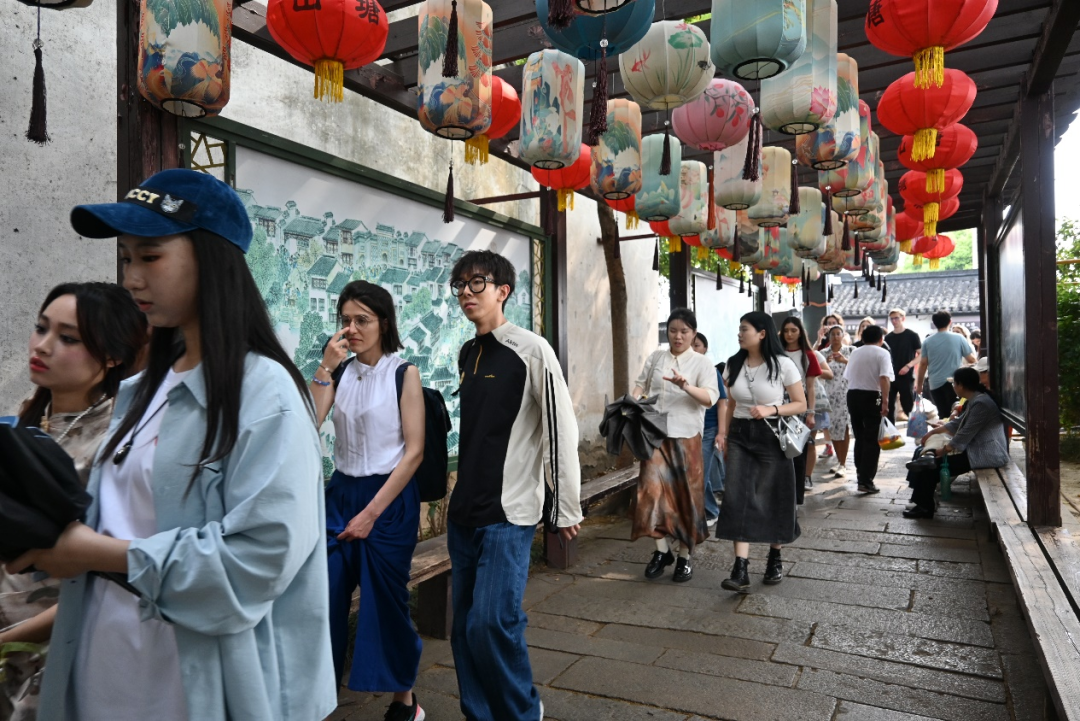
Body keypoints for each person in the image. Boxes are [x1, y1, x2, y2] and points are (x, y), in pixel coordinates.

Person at [14, 169, 338, 721]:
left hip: (192, 683)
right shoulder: (142, 390)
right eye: (125, 258)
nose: (132, 278)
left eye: (151, 256)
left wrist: (94, 553)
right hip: (102, 665)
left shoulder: (266, 394)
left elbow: (258, 560)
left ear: (211, 259)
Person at [0, 282, 146, 721]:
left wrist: (8, 640)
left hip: (55, 661)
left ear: (112, 356)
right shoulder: (28, 422)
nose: (42, 346)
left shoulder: (119, 444)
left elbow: (103, 580)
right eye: (41, 328)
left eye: (68, 338)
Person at [448, 250, 582, 721]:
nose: (466, 293)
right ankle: (479, 714)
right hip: (464, 511)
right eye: (460, 285)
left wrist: (565, 507)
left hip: (510, 511)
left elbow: (560, 430)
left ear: (503, 291)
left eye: (477, 283)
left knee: (492, 622)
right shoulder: (468, 352)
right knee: (464, 628)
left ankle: (523, 711)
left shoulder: (531, 350)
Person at [309, 280, 425, 720]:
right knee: (324, 595)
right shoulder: (338, 372)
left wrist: (371, 513)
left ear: (384, 323)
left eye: (363, 320)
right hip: (341, 494)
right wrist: (325, 366)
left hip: (388, 500)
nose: (352, 329)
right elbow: (309, 423)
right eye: (346, 321)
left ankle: (404, 700)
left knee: (385, 602)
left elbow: (414, 452)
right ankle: (318, 696)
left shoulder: (403, 373)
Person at [715, 312, 806, 593]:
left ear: (762, 333)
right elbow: (730, 404)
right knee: (737, 496)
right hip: (740, 434)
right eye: (739, 329)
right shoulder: (734, 364)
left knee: (775, 495)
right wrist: (724, 435)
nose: (739, 334)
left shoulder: (783, 364)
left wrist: (772, 409)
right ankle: (740, 568)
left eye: (745, 329)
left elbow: (801, 404)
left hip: (771, 435)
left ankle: (774, 557)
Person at [633, 309, 720, 581]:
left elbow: (710, 398)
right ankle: (662, 551)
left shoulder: (702, 364)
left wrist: (686, 386)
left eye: (684, 331)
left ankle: (684, 556)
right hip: (655, 435)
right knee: (650, 492)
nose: (678, 336)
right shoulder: (657, 358)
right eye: (673, 331)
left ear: (693, 333)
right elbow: (640, 385)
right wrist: (633, 402)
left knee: (687, 498)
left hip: (687, 436)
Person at [903, 366, 1009, 518]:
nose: (953, 387)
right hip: (977, 451)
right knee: (929, 464)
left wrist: (944, 450)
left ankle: (924, 508)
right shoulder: (977, 399)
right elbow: (958, 423)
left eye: (954, 383)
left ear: (961, 385)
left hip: (986, 455)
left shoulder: (981, 403)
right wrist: (932, 432)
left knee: (930, 467)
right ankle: (921, 503)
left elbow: (964, 434)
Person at [779, 317, 831, 501]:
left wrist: (811, 412)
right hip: (777, 406)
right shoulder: (776, 353)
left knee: (798, 450)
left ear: (801, 332)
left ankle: (796, 495)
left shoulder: (808, 355)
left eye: (793, 330)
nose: (789, 334)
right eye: (786, 330)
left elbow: (811, 387)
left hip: (799, 406)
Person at [844, 325, 894, 494]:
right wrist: (885, 401)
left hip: (853, 395)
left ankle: (860, 473)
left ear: (863, 338)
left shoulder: (855, 352)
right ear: (881, 339)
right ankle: (866, 480)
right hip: (872, 396)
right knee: (872, 439)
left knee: (859, 436)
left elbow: (847, 376)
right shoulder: (883, 353)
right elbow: (884, 378)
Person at [692, 333, 728, 523]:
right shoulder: (682, 372)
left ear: (705, 349)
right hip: (688, 430)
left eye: (697, 345)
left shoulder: (712, 372)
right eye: (691, 345)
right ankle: (710, 510)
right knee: (696, 472)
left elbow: (722, 404)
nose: (693, 349)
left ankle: (709, 512)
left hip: (708, 430)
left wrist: (721, 433)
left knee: (700, 473)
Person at [916, 310, 976, 419]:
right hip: (956, 382)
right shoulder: (959, 338)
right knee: (958, 412)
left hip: (935, 383)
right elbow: (971, 359)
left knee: (943, 413)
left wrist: (919, 385)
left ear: (935, 323)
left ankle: (945, 429)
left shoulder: (927, 341)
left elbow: (923, 364)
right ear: (950, 322)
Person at [821, 325, 853, 478]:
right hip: (829, 396)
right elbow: (816, 372)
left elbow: (858, 368)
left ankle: (843, 463)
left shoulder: (850, 351)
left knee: (844, 428)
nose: (835, 337)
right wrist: (825, 364)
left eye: (838, 334)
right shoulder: (823, 353)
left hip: (846, 395)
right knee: (833, 429)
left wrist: (845, 361)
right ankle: (839, 460)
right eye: (832, 334)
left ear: (843, 335)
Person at [884, 307, 922, 423]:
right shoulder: (888, 337)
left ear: (903, 318)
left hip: (906, 375)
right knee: (889, 406)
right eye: (892, 319)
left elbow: (921, 354)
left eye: (896, 318)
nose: (894, 321)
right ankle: (890, 431)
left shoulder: (912, 335)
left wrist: (908, 365)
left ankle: (915, 428)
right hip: (890, 375)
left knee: (908, 405)